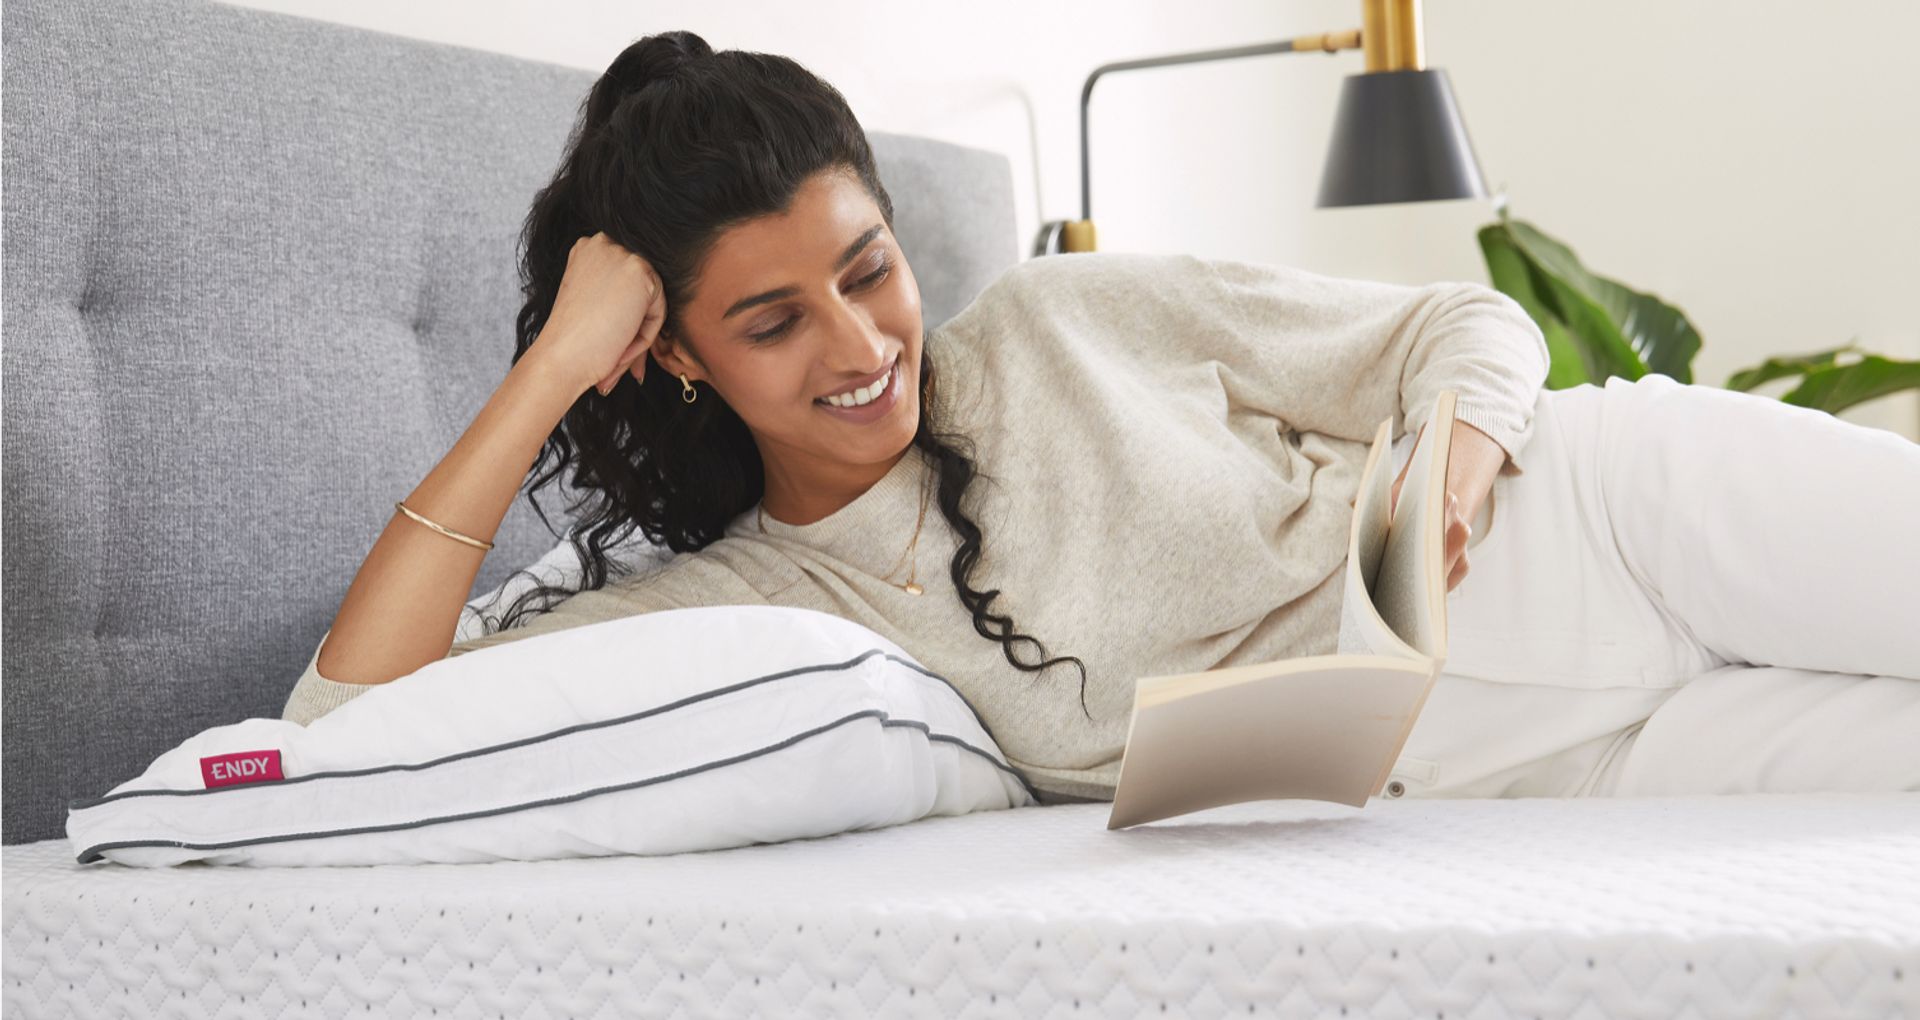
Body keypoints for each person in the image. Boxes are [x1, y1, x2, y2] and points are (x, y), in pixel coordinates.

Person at [281, 30, 1920, 804]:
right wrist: (552, 369)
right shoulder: (757, 606)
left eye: (871, 270)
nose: (862, 345)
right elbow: (342, 727)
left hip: (1617, 520)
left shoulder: (1063, 321)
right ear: (677, 352)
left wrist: (1459, 477)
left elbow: (1459, 325)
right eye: (774, 321)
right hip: (1558, 772)